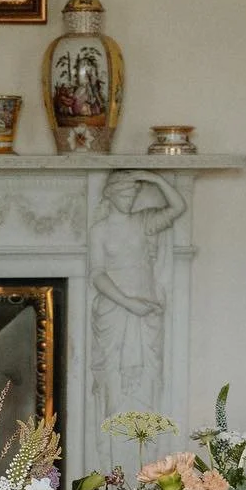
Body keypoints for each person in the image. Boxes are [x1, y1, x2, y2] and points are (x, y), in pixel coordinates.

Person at [89, 172, 187, 429]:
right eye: (124, 195)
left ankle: (148, 441)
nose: (129, 200)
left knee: (148, 378)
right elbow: (97, 274)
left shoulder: (144, 221)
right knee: (112, 380)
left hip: (146, 309)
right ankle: (111, 439)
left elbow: (178, 207)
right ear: (110, 194)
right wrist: (128, 303)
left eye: (133, 195)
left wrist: (154, 178)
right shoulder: (99, 230)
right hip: (114, 309)